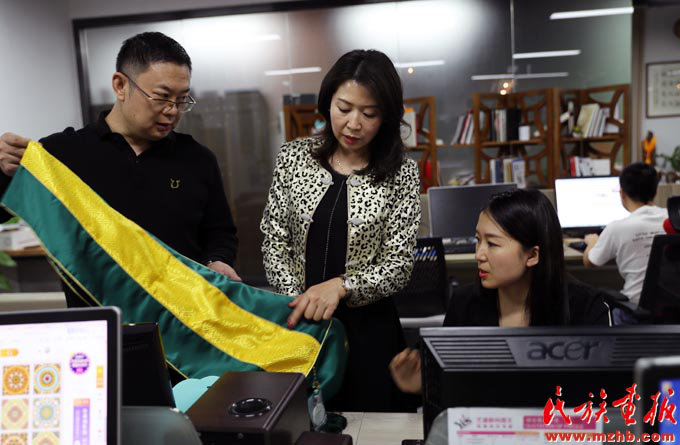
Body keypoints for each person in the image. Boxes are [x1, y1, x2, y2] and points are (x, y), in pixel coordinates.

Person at [0, 32, 240, 307]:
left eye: (182, 99)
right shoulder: (63, 154)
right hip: (96, 320)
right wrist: (3, 172)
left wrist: (217, 261)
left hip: (181, 319)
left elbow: (220, 232)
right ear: (120, 85)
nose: (173, 111)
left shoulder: (197, 159)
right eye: (162, 97)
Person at [260, 49, 421, 412]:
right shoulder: (294, 157)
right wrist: (299, 302)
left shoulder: (402, 173)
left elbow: (398, 265)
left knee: (374, 425)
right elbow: (274, 239)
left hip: (369, 332)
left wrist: (341, 286)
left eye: (369, 114)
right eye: (344, 108)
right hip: (298, 324)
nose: (353, 124)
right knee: (303, 423)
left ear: (387, 116)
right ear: (327, 102)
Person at [389, 189, 610, 394]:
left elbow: (599, 392)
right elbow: (452, 386)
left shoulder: (585, 306)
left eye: (492, 244)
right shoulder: (466, 303)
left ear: (532, 255)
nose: (479, 254)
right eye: (478, 240)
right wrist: (424, 384)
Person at [583, 162, 667, 307]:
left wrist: (592, 242)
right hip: (672, 308)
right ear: (655, 191)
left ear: (622, 194)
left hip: (635, 310)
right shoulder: (673, 220)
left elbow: (589, 262)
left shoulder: (617, 228)